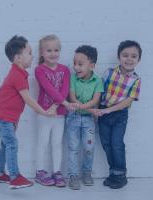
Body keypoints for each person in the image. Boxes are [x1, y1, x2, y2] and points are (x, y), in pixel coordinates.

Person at [0, 35, 56, 189]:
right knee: (12, 143)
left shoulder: (19, 73)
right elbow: (28, 99)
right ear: (18, 58)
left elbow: (15, 102)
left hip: (6, 118)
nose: (32, 56)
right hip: (1, 117)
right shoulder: (17, 75)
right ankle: (14, 177)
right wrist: (45, 112)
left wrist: (14, 121)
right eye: (30, 52)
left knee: (5, 144)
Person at [93, 40, 142, 189]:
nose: (129, 59)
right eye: (125, 55)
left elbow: (128, 101)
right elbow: (99, 92)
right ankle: (112, 173)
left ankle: (120, 176)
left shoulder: (136, 80)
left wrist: (109, 110)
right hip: (103, 112)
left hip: (119, 115)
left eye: (134, 56)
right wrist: (96, 110)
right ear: (119, 56)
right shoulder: (108, 72)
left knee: (117, 144)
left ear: (138, 60)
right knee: (107, 144)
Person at [34, 34, 73, 187]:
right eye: (49, 50)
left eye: (56, 50)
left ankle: (57, 171)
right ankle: (40, 171)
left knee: (57, 143)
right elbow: (48, 89)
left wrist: (57, 106)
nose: (53, 54)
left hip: (58, 114)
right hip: (44, 113)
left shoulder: (65, 70)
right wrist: (61, 104)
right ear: (42, 53)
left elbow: (64, 90)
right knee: (42, 142)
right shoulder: (39, 70)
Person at [66, 45, 103, 190]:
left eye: (80, 64)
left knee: (89, 147)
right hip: (73, 118)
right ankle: (73, 175)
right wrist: (86, 108)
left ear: (92, 65)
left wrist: (86, 108)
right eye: (75, 63)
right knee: (73, 147)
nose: (76, 67)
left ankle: (87, 172)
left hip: (88, 120)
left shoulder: (98, 81)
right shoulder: (73, 78)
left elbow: (95, 101)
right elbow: (72, 97)